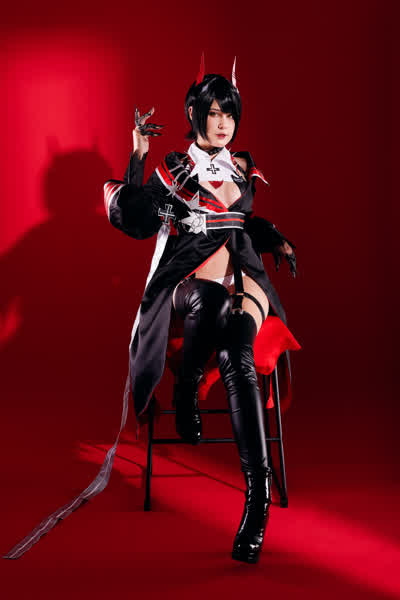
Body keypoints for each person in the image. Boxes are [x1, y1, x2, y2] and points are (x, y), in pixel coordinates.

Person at [3, 56, 300, 563]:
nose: (223, 122)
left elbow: (243, 222)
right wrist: (138, 155)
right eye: (213, 112)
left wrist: (276, 239)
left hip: (243, 277)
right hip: (188, 282)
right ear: (194, 115)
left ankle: (257, 498)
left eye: (229, 113)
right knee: (210, 301)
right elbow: (137, 215)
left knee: (237, 352)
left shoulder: (242, 168)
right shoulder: (175, 169)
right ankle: (186, 388)